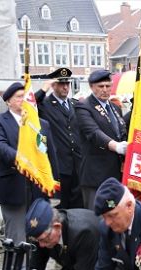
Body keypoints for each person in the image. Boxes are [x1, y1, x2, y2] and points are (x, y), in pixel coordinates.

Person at [0, 82, 59, 243]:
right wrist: (22, 159)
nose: (23, 100)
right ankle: (17, 269)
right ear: (8, 101)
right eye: (18, 97)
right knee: (17, 238)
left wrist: (54, 187)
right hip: (14, 188)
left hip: (38, 190)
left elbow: (51, 156)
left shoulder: (41, 124)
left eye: (25, 96)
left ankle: (35, 268)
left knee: (39, 236)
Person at [23, 198, 100, 270]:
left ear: (57, 227)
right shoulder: (42, 234)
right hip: (75, 265)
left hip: (101, 268)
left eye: (44, 240)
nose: (41, 245)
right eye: (38, 241)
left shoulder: (82, 233)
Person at [75, 69, 128, 210]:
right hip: (95, 174)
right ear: (92, 87)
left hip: (115, 173)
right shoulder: (83, 107)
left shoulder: (115, 108)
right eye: (101, 86)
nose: (105, 90)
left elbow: (120, 131)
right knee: (96, 216)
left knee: (114, 213)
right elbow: (93, 132)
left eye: (108, 86)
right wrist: (116, 146)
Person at [34, 67, 84, 209]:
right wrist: (44, 89)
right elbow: (30, 106)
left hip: (77, 164)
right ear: (54, 85)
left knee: (77, 205)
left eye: (67, 84)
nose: (65, 87)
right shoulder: (45, 105)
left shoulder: (75, 104)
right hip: (59, 165)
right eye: (61, 84)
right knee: (60, 206)